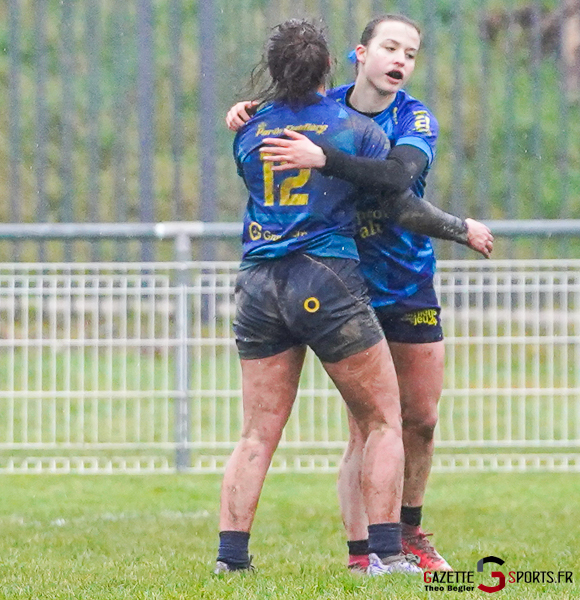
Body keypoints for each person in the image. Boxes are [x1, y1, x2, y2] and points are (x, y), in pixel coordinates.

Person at [214, 18, 493, 579]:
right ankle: (375, 554)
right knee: (375, 425)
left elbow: (397, 176)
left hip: (390, 280)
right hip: (339, 283)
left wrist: (277, 124)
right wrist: (460, 227)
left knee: (419, 420)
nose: (400, 59)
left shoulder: (410, 118)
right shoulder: (346, 121)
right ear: (353, 56)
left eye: (410, 52)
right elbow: (393, 195)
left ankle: (237, 558)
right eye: (390, 47)